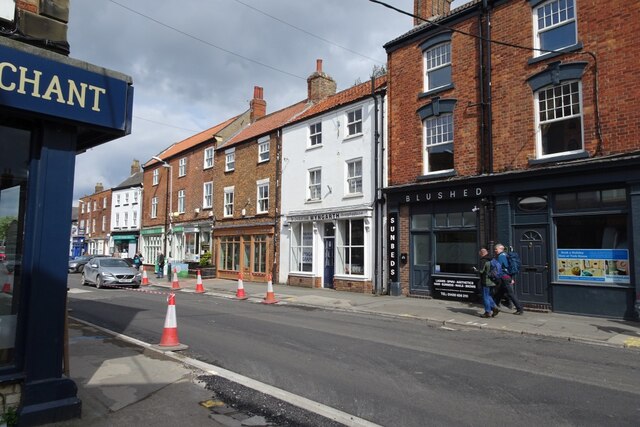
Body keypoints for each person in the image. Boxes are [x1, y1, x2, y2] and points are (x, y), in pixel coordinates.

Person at [492, 243, 524, 315]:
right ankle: (494, 306)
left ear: (500, 249)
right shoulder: (506, 255)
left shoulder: (501, 256)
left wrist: (494, 275)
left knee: (511, 294)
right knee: (499, 293)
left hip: (504, 277)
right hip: (507, 277)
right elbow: (508, 267)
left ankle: (519, 309)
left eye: (496, 249)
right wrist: (511, 278)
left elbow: (499, 268)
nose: (495, 250)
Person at [473, 248, 499, 318]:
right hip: (492, 281)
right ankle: (494, 307)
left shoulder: (484, 260)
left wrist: (475, 270)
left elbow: (481, 271)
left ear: (482, 253)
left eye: (479, 254)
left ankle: (488, 312)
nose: (479, 255)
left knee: (485, 297)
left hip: (486, 281)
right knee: (488, 295)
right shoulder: (492, 259)